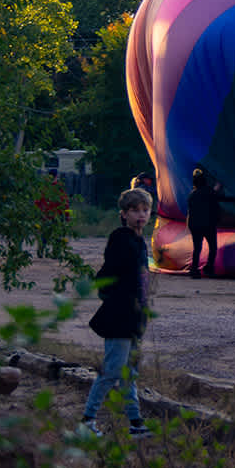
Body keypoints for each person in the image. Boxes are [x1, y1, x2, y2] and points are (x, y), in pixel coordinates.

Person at [83, 187, 155, 438]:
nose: (141, 215)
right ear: (123, 214)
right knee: (112, 371)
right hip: (120, 318)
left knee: (129, 374)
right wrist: (116, 301)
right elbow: (106, 276)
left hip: (135, 318)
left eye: (145, 210)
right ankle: (87, 421)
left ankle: (135, 423)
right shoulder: (121, 239)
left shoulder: (139, 241)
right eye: (135, 210)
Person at [187, 168, 235, 278]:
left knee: (197, 248)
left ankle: (194, 270)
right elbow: (222, 197)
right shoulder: (209, 192)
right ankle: (208, 268)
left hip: (194, 225)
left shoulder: (193, 194)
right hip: (207, 225)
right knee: (213, 248)